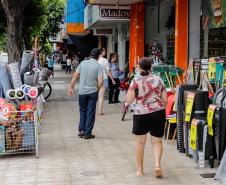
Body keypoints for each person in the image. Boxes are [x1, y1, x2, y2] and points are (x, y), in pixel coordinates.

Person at [125, 57, 167, 178]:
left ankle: (139, 170)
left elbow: (129, 100)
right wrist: (160, 107)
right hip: (158, 113)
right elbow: (165, 100)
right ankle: (157, 165)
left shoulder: (136, 81)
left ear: (139, 67)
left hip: (141, 113)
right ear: (151, 67)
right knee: (157, 142)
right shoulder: (159, 80)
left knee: (140, 143)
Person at [68, 48, 103, 139]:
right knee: (90, 112)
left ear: (91, 54)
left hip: (82, 92)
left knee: (82, 111)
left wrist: (71, 88)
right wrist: (97, 88)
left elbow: (75, 76)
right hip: (92, 92)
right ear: (98, 56)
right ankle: (87, 133)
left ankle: (82, 130)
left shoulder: (82, 63)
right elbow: (100, 81)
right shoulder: (98, 66)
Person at [98, 48, 115, 115]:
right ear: (101, 52)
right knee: (101, 96)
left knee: (94, 95)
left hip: (95, 79)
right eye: (104, 51)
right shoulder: (105, 60)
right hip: (104, 79)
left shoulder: (95, 60)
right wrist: (112, 79)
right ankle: (100, 111)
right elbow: (108, 71)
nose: (105, 51)